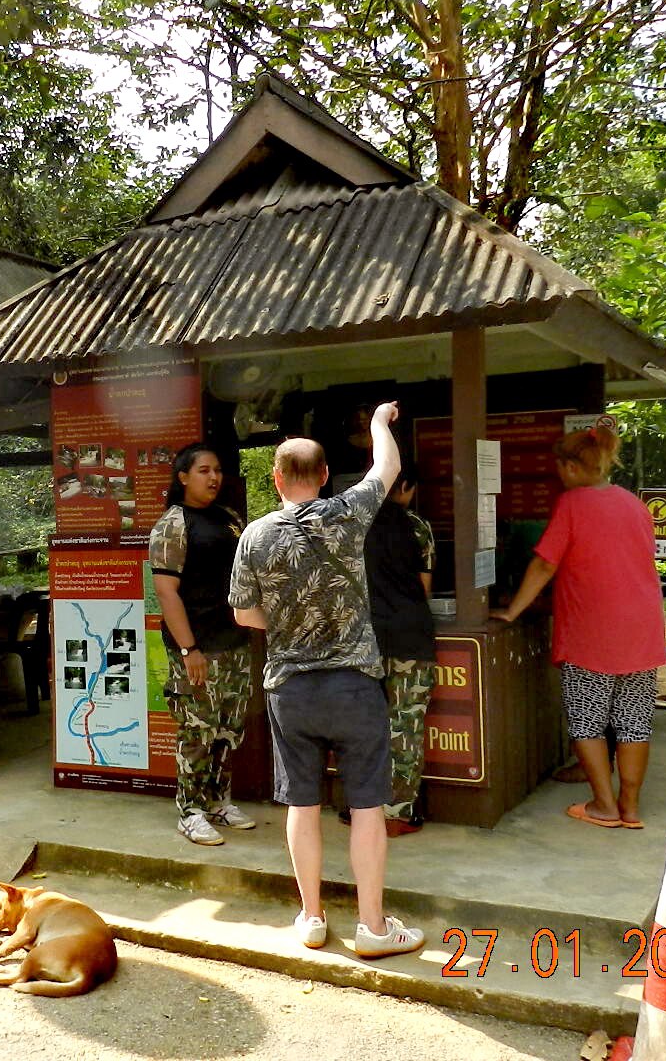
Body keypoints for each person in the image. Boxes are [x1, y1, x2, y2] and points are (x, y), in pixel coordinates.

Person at [228, 402, 426, 958]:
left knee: (302, 805)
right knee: (366, 807)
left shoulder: (254, 537)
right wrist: (379, 425)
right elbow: (385, 470)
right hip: (354, 686)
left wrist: (287, 623)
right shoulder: (347, 512)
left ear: (274, 479)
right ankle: (372, 927)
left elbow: (244, 614)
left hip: (290, 689)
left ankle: (312, 919)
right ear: (321, 477)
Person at [493, 422, 666, 830]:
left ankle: (604, 806)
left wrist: (512, 611)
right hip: (643, 627)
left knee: (587, 719)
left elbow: (544, 564)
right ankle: (631, 808)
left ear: (571, 466)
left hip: (595, 628)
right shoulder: (634, 504)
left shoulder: (573, 503)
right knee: (634, 720)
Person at [148, 443, 255, 846]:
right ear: (183, 477)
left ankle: (218, 802)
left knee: (228, 728)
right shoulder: (173, 524)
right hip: (197, 647)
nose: (213, 477)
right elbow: (166, 591)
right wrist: (189, 649)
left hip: (233, 642)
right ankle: (190, 811)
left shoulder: (228, 519)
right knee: (197, 729)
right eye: (203, 470)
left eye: (217, 470)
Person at [363, 469, 434, 837]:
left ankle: (361, 808)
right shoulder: (417, 526)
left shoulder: (356, 524)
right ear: (406, 488)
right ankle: (399, 812)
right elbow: (424, 585)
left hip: (366, 639)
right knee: (405, 726)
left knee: (366, 726)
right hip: (410, 636)